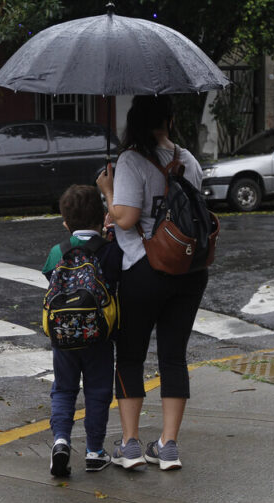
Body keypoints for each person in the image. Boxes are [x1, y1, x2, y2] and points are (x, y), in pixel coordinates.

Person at [96, 95, 208, 471]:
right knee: (174, 357)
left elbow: (125, 218)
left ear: (135, 123)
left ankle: (129, 446)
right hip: (189, 271)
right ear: (169, 121)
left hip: (144, 269)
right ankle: (168, 446)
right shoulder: (188, 160)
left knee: (130, 356)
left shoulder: (130, 160)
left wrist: (108, 189)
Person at [41, 184, 122, 477]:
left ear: (65, 222)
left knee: (63, 389)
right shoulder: (111, 251)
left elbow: (50, 278)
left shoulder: (56, 252)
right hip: (99, 336)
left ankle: (61, 440)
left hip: (63, 337)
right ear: (103, 217)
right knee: (98, 391)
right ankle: (94, 452)